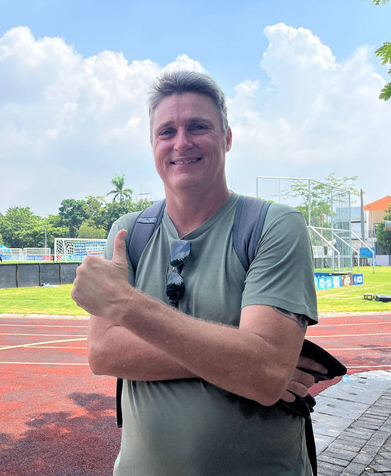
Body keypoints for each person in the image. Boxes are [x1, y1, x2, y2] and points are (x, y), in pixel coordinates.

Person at [72, 71, 325, 475]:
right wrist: (247, 360)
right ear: (153, 145)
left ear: (227, 137)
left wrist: (125, 305)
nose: (181, 142)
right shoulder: (128, 233)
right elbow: (104, 354)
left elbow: (264, 372)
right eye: (166, 131)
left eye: (198, 127)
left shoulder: (274, 225)